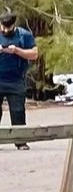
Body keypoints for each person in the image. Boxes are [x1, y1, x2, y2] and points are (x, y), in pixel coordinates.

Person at [0, 12, 32, 148]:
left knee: (18, 111)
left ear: (14, 25)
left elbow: (34, 54)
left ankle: (20, 141)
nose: (6, 30)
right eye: (3, 27)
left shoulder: (24, 35)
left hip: (16, 80)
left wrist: (17, 51)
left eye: (9, 28)